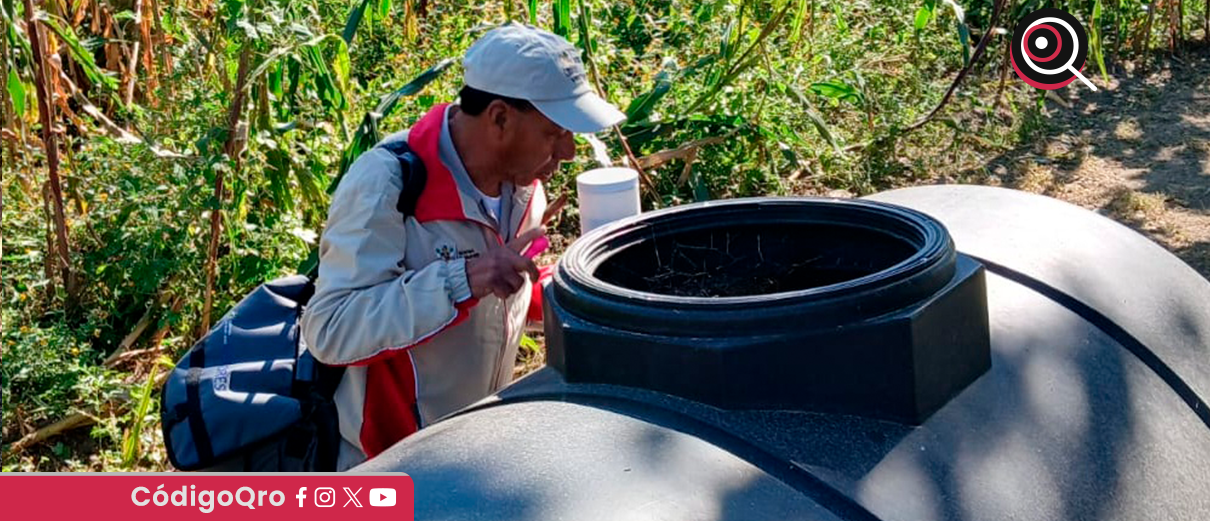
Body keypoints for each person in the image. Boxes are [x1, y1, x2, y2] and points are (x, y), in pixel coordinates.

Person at [300, 22, 626, 470]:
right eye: (555, 133)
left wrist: (576, 292)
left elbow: (503, 292)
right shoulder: (388, 184)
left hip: (471, 451)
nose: (568, 151)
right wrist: (461, 280)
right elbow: (331, 330)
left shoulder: (524, 186)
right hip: (390, 461)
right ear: (499, 118)